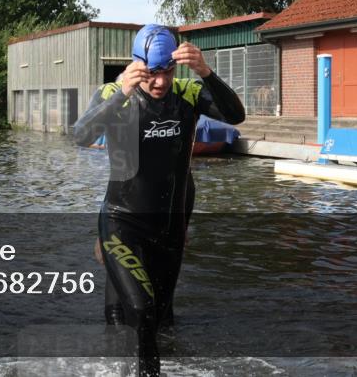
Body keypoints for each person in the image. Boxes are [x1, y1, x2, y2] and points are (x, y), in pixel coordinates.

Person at [72, 24, 245, 377]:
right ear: (137, 66)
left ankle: (128, 368)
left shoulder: (188, 94)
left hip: (167, 229)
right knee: (137, 310)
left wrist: (205, 72)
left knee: (161, 319)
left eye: (167, 71)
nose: (161, 82)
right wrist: (122, 91)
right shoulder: (114, 94)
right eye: (152, 73)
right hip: (123, 223)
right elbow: (81, 135)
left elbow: (235, 116)